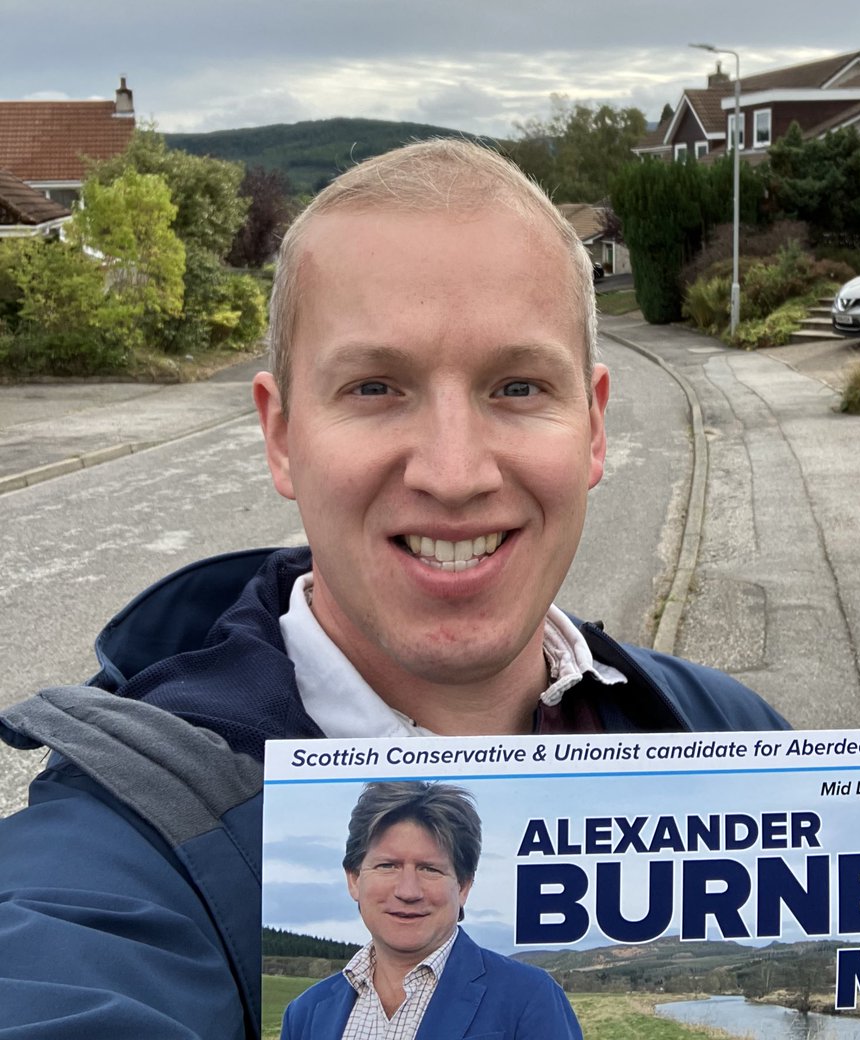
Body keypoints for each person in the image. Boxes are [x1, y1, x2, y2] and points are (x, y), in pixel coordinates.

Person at [0, 139, 789, 1038]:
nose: (454, 474)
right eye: (375, 387)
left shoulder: (735, 735)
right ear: (282, 436)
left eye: (518, 386)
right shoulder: (119, 847)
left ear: (594, 427)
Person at [280, 781, 581, 1039]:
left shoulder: (529, 996)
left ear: (463, 886)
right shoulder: (305, 1013)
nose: (408, 891)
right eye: (388, 866)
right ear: (354, 879)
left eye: (429, 869)